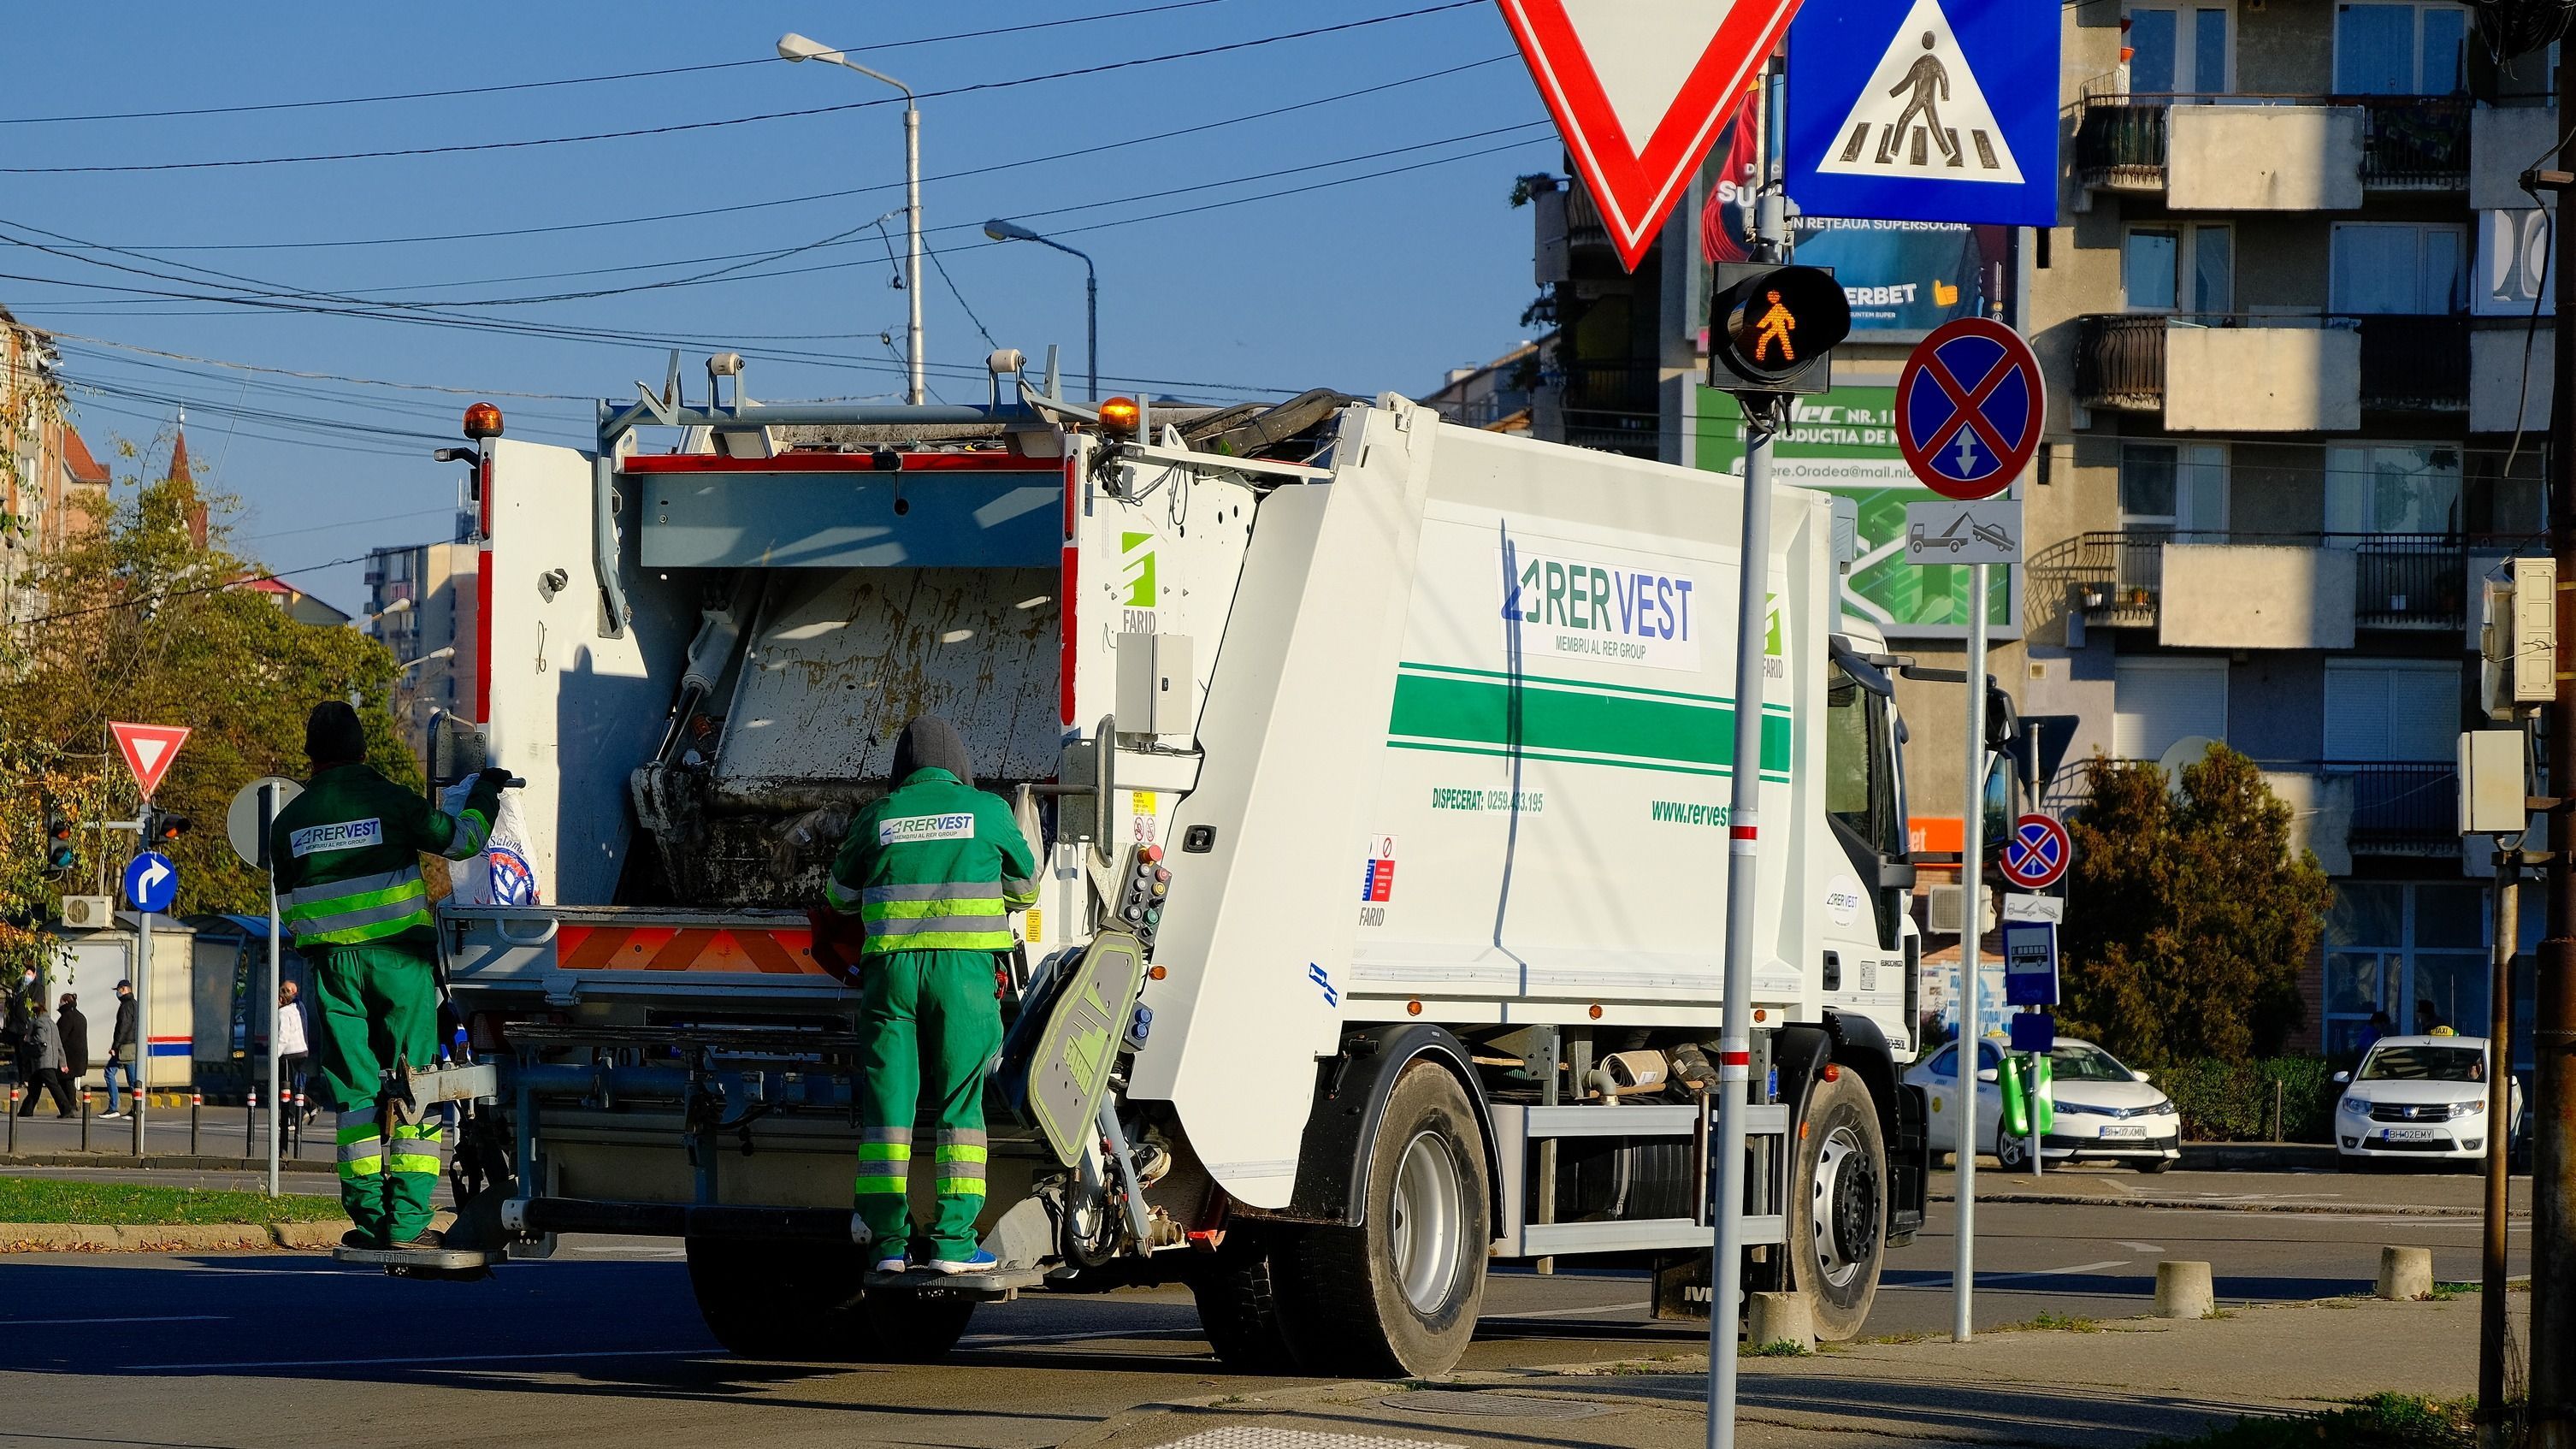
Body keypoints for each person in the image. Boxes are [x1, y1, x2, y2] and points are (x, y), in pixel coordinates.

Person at [269, 699, 506, 1252]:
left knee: (354, 1095)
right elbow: (463, 841)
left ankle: (370, 1218)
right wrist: (486, 793)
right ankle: (405, 1221)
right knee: (415, 1083)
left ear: (312, 757)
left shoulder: (289, 823)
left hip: (331, 969)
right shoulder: (389, 801)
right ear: (361, 750)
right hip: (399, 963)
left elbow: (291, 907)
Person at [816, 716, 1036, 1276]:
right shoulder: (988, 811)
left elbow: (838, 897)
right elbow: (1027, 888)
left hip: (890, 974)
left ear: (901, 770)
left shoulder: (879, 816)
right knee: (961, 1105)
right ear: (959, 765)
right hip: (962, 976)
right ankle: (954, 1245)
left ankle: (888, 1243)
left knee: (889, 1108)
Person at [15, 1006, 72, 1118]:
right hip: (51, 1060)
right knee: (34, 1087)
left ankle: (66, 1109)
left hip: (42, 1060)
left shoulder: (37, 1023)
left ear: (36, 1013)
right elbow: (59, 1045)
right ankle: (26, 1111)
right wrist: (62, 1063)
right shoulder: (53, 1024)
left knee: (53, 1086)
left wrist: (28, 1039)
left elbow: (40, 1039)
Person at [98, 980, 137, 1119]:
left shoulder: (126, 1006)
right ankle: (136, 1108)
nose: (118, 993)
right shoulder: (134, 1004)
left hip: (124, 1046)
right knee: (132, 1079)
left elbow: (123, 1027)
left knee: (110, 1073)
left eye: (119, 990)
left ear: (125, 989)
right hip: (131, 1045)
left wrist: (115, 1046)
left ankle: (114, 1107)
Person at [275, 979, 311, 1121]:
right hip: (300, 1050)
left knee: (289, 1087)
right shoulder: (295, 1007)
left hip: (292, 1052)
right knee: (293, 1087)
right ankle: (306, 1110)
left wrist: (274, 1055)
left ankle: (298, 1114)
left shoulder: (288, 1010)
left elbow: (284, 1035)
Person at [55, 993, 87, 1097]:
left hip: (68, 1056)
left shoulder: (67, 1017)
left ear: (66, 1002)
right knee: (69, 1080)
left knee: (66, 1080)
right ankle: (71, 1104)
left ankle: (70, 1105)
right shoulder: (81, 1016)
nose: (59, 1004)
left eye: (61, 1001)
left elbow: (60, 1037)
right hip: (80, 1055)